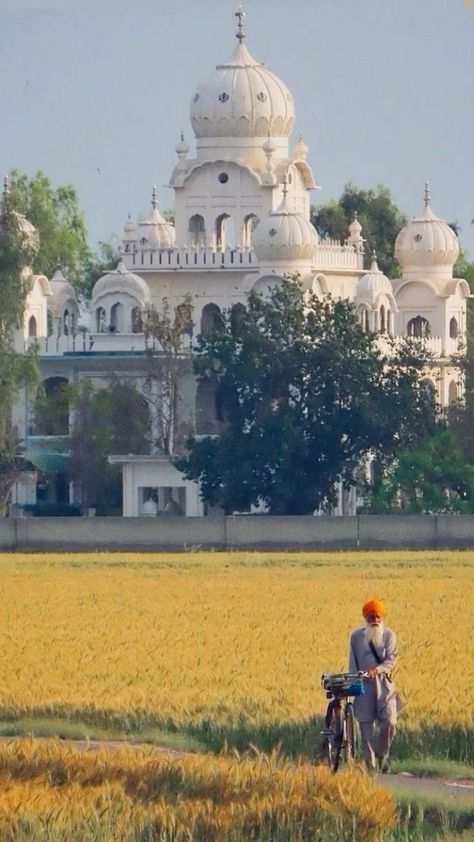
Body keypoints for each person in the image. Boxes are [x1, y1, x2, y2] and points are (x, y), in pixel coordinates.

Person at [347, 598, 398, 773]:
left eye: (377, 616)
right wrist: (353, 683)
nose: (374, 620)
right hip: (363, 686)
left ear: (381, 617)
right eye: (371, 617)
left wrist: (377, 670)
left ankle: (381, 753)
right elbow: (352, 662)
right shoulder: (355, 636)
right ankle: (370, 765)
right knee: (365, 724)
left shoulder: (389, 636)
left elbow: (391, 660)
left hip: (384, 686)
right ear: (365, 617)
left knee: (390, 722)